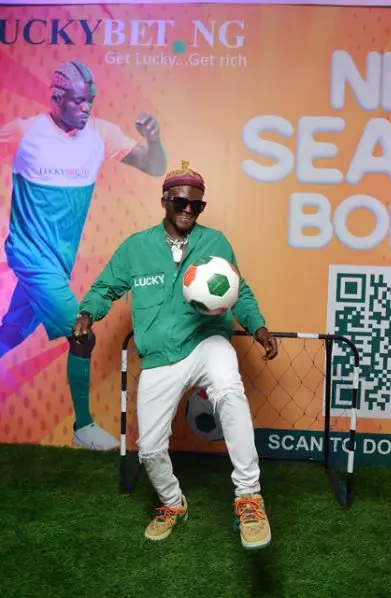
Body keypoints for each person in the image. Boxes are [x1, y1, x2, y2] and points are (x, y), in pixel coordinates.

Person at [72, 161, 278, 550]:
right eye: (180, 202)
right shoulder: (136, 247)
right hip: (160, 355)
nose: (188, 210)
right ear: (165, 200)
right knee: (150, 448)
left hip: (206, 341)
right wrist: (87, 314)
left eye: (196, 205)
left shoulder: (215, 242)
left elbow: (239, 291)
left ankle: (249, 496)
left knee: (229, 389)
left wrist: (259, 327)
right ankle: (172, 502)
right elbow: (104, 289)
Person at [0, 60, 167, 450]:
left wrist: (154, 140)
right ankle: (84, 426)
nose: (86, 107)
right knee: (82, 336)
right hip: (31, 258)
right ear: (56, 98)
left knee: (11, 333)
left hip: (58, 264)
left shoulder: (100, 135)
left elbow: (154, 167)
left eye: (90, 99)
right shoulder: (25, 131)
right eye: (77, 100)